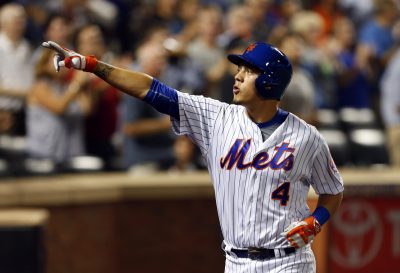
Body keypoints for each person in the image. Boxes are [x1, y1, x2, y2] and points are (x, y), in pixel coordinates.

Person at [42, 40, 344, 272]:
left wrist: (316, 221)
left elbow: (333, 190)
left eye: (248, 71)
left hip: (288, 263)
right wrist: (94, 65)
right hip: (237, 263)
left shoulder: (306, 137)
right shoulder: (217, 117)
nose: (237, 77)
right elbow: (153, 90)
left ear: (270, 81)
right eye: (239, 69)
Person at [27, 49, 91, 166]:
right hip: (42, 156)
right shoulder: (39, 87)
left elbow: (87, 109)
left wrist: (85, 85)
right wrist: (76, 85)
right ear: (44, 65)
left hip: (65, 155)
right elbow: (58, 108)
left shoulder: (67, 88)